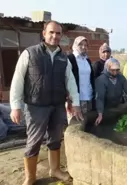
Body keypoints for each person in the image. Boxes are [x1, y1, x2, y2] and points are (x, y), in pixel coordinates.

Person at [9, 20, 83, 185]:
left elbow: (70, 81)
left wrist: (76, 103)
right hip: (36, 106)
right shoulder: (30, 53)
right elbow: (17, 80)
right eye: (51, 32)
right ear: (44, 33)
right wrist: (16, 106)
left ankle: (55, 170)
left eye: (58, 33)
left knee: (55, 138)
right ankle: (30, 177)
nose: (54, 36)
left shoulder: (63, 58)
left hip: (57, 106)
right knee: (34, 141)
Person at [95, 58, 127, 125]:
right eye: (112, 70)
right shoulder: (101, 80)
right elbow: (99, 98)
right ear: (107, 68)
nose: (115, 72)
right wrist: (100, 114)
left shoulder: (120, 77)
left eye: (117, 70)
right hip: (105, 108)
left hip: (117, 105)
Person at [67, 36, 95, 115]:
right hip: (77, 98)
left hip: (89, 96)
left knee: (88, 121)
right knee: (77, 122)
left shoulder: (87, 60)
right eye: (80, 45)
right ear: (75, 45)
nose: (84, 47)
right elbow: (67, 78)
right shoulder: (70, 59)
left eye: (86, 45)